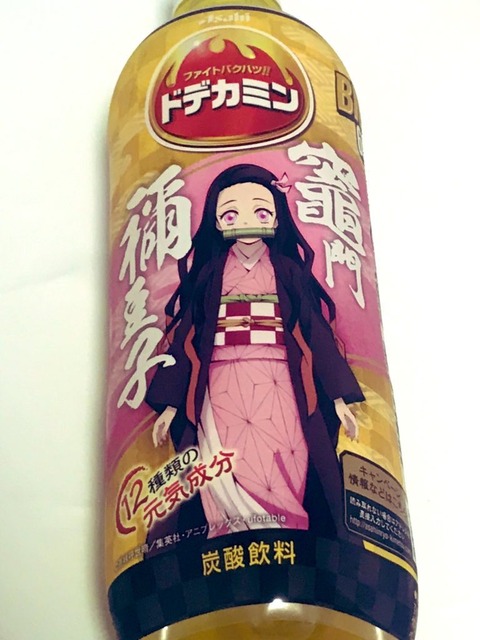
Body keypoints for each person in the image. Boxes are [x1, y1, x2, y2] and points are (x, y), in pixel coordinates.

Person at [145, 163, 365, 542]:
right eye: (231, 214)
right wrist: (170, 405)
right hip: (221, 381)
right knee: (225, 463)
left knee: (285, 458)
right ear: (217, 221)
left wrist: (339, 399)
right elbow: (187, 336)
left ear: (277, 218)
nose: (246, 222)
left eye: (261, 213)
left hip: (281, 379)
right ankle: (231, 536)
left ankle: (286, 534)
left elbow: (314, 331)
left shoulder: (287, 271)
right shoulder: (211, 273)